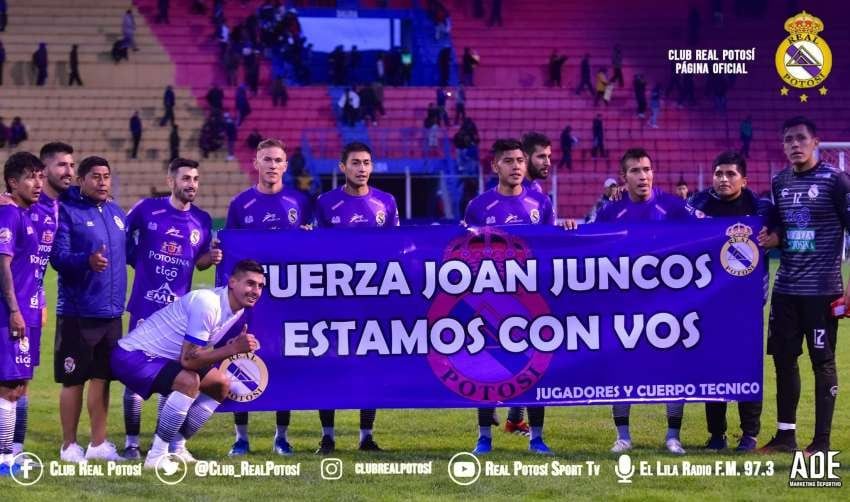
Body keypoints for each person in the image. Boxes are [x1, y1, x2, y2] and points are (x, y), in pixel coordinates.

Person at [111, 260, 263, 469]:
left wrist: (229, 346)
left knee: (220, 384)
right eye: (250, 283)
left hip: (164, 357)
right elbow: (189, 360)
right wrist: (232, 349)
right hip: (132, 355)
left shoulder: (236, 308)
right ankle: (156, 456)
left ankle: (177, 447)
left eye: (260, 286)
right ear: (232, 282)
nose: (255, 291)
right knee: (188, 381)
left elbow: (195, 352)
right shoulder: (208, 303)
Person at [758, 116, 850, 455]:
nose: (794, 145)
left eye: (800, 139)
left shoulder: (836, 182)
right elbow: (783, 230)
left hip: (822, 291)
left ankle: (822, 443)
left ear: (815, 142)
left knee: (822, 363)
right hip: (786, 290)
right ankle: (785, 436)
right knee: (783, 359)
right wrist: (772, 239)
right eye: (788, 140)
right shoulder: (779, 182)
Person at [120, 158, 218, 461]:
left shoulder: (202, 219)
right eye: (186, 178)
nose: (192, 184)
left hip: (178, 314)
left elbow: (198, 260)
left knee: (174, 377)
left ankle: (165, 443)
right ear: (170, 181)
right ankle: (132, 443)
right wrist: (140, 262)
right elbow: (120, 236)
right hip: (145, 307)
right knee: (136, 377)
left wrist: (209, 258)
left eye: (196, 179)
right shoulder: (147, 209)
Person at [595, 148, 691, 455]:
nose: (643, 176)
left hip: (668, 304)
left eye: (647, 169)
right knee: (622, 368)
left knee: (673, 368)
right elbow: (592, 250)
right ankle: (623, 436)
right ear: (624, 177)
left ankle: (673, 436)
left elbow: (709, 233)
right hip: (625, 304)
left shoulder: (674, 207)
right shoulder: (610, 212)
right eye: (635, 170)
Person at [463, 139, 556, 455]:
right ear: (495, 166)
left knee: (534, 368)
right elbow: (466, 256)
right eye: (508, 161)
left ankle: (537, 437)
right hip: (490, 301)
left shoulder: (541, 204)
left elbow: (550, 251)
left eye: (519, 160)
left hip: (529, 302)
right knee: (485, 369)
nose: (516, 166)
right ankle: (484, 438)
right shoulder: (478, 207)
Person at [225, 139, 312, 457]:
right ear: (256, 164)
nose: (272, 165)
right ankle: (241, 437)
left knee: (282, 362)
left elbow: (313, 251)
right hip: (249, 302)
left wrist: (308, 238)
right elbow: (230, 254)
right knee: (240, 361)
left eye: (278, 160)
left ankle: (281, 436)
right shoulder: (240, 204)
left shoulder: (299, 202)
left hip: (287, 300)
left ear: (285, 166)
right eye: (267, 159)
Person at [314, 142, 399, 455]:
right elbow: (312, 253)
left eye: (366, 163)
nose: (361, 168)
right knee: (330, 365)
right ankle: (327, 436)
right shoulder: (325, 203)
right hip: (335, 299)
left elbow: (397, 247)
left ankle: (366, 436)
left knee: (369, 365)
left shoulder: (386, 202)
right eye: (355, 163)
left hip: (372, 299)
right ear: (342, 167)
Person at [685, 151, 772, 452]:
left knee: (747, 366)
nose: (723, 179)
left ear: (744, 179)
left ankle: (750, 434)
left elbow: (782, 232)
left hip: (747, 302)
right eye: (719, 173)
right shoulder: (697, 204)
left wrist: (776, 238)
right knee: (715, 367)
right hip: (710, 301)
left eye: (731, 174)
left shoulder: (760, 207)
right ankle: (717, 434)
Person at [50, 156, 127, 462]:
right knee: (73, 379)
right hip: (77, 312)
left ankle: (98, 444)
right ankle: (69, 445)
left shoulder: (116, 212)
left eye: (106, 176)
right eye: (95, 176)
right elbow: (58, 257)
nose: (102, 181)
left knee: (102, 377)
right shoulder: (67, 211)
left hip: (111, 313)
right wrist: (87, 260)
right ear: (81, 180)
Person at [0, 152, 45, 476]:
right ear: (12, 183)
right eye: (31, 177)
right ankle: (3, 459)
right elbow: (2, 264)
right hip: (8, 315)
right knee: (7, 386)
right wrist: (15, 311)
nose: (38, 183)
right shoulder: (9, 214)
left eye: (40, 176)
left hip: (25, 313)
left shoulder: (25, 214)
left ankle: (12, 453)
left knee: (19, 385)